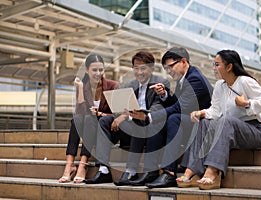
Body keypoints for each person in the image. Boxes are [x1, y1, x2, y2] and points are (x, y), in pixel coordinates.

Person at [176, 49, 261, 190]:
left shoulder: (245, 81)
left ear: (229, 67)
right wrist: (201, 112)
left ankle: (213, 172)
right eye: (214, 64)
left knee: (226, 120)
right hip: (230, 130)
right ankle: (192, 171)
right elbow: (215, 111)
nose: (214, 68)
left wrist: (247, 104)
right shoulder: (219, 86)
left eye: (217, 64)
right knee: (204, 122)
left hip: (255, 130)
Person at [129, 47, 213, 188]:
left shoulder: (194, 79)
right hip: (190, 121)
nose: (169, 71)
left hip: (204, 126)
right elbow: (177, 103)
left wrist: (149, 116)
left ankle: (169, 172)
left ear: (184, 61)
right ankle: (151, 171)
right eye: (166, 68)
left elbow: (178, 108)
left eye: (170, 67)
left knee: (173, 118)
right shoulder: (185, 78)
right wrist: (164, 94)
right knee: (161, 120)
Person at [84, 51, 170, 185]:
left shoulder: (161, 83)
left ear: (152, 68)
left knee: (139, 118)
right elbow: (120, 109)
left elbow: (156, 109)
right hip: (131, 129)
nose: (139, 72)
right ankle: (103, 169)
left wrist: (131, 115)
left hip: (149, 129)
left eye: (143, 68)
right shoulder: (131, 84)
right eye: (136, 68)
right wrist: (122, 116)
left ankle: (131, 170)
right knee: (105, 121)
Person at [58, 54, 119, 183]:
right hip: (88, 128)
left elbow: (119, 115)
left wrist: (100, 114)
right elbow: (80, 112)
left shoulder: (113, 86)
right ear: (86, 70)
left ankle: (83, 164)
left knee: (90, 119)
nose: (98, 73)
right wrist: (80, 89)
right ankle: (69, 164)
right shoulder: (83, 86)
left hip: (107, 130)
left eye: (101, 70)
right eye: (94, 70)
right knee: (77, 119)